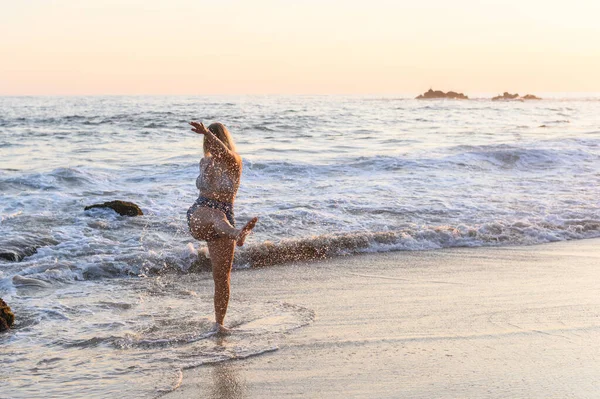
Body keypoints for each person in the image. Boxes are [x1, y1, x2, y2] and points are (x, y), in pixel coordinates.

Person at [187, 121, 258, 335]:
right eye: (207, 137)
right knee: (217, 215)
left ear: (223, 139)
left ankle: (219, 324)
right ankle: (238, 234)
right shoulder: (204, 162)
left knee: (221, 277)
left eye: (214, 137)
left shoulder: (234, 161)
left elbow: (223, 151)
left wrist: (208, 133)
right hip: (200, 213)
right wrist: (207, 134)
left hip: (225, 217)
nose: (209, 141)